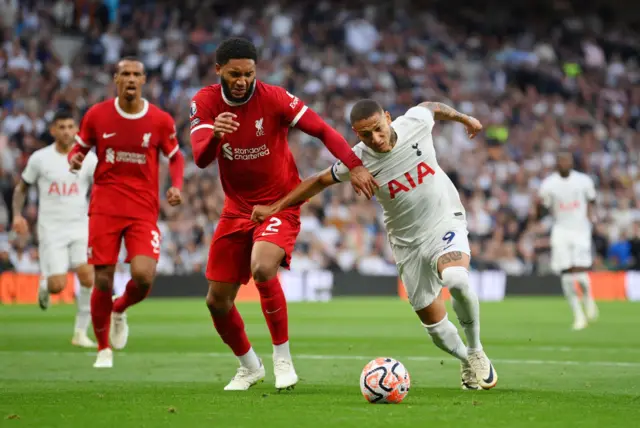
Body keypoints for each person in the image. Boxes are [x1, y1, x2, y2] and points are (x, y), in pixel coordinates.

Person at [252, 99, 499, 391]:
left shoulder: (415, 123)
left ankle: (475, 350)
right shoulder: (356, 161)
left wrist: (465, 118)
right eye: (365, 135)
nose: (376, 139)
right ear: (357, 134)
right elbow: (317, 181)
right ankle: (465, 360)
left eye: (379, 129)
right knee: (434, 326)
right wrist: (274, 208)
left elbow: (431, 106)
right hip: (406, 242)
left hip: (445, 221)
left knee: (456, 278)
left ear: (388, 117)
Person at [189, 37, 378, 391]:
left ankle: (282, 358)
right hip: (236, 210)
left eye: (248, 73)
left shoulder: (274, 98)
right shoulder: (205, 102)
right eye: (234, 74)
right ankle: (249, 366)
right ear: (219, 72)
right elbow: (200, 158)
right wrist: (216, 135)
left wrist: (353, 165)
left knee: (262, 267)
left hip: (281, 203)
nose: (243, 80)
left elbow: (321, 129)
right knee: (216, 301)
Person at [67, 57, 185, 368]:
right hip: (105, 206)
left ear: (144, 80)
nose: (130, 79)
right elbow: (78, 148)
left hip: (143, 209)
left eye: (136, 74)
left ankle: (120, 308)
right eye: (125, 74)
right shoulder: (97, 115)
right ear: (116, 80)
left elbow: (175, 157)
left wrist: (176, 186)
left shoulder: (159, 120)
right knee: (102, 279)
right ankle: (103, 349)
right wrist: (75, 159)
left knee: (144, 276)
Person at [12, 110, 98, 348]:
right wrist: (17, 215)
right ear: (53, 131)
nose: (66, 131)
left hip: (80, 225)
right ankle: (45, 284)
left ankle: (80, 333)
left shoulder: (88, 159)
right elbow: (22, 188)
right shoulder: (40, 158)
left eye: (71, 126)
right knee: (58, 286)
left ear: (76, 130)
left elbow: (103, 184)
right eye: (61, 127)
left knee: (88, 276)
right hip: (51, 229)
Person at [538, 152, 598, 330]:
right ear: (557, 163)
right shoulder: (549, 184)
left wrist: (591, 220)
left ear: (572, 162)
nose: (564, 163)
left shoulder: (584, 180)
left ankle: (588, 296)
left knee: (580, 274)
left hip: (580, 230)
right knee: (565, 274)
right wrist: (540, 206)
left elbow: (592, 201)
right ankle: (578, 315)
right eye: (561, 160)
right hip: (561, 230)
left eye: (567, 160)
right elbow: (544, 208)